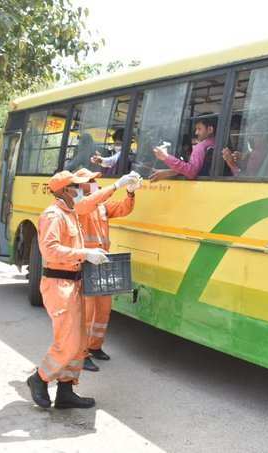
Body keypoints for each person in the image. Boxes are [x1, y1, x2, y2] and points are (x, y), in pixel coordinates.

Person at [26, 170, 139, 409]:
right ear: (66, 190)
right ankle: (39, 378)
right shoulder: (54, 215)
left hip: (74, 282)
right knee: (67, 342)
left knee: (78, 344)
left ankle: (66, 390)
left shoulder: (70, 214)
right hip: (59, 284)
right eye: (77, 186)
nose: (82, 188)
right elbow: (50, 250)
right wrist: (85, 253)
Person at [73, 168, 140, 372]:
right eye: (91, 180)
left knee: (103, 309)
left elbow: (123, 209)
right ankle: (81, 353)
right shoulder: (79, 204)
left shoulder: (100, 206)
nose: (95, 183)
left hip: (102, 263)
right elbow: (88, 204)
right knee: (87, 312)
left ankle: (95, 347)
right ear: (80, 185)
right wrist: (116, 185)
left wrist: (130, 192)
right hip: (86, 263)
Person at [150, 115, 216, 181]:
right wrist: (169, 172)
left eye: (199, 129)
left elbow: (192, 172)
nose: (196, 133)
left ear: (210, 129)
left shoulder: (201, 147)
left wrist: (166, 157)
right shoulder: (218, 145)